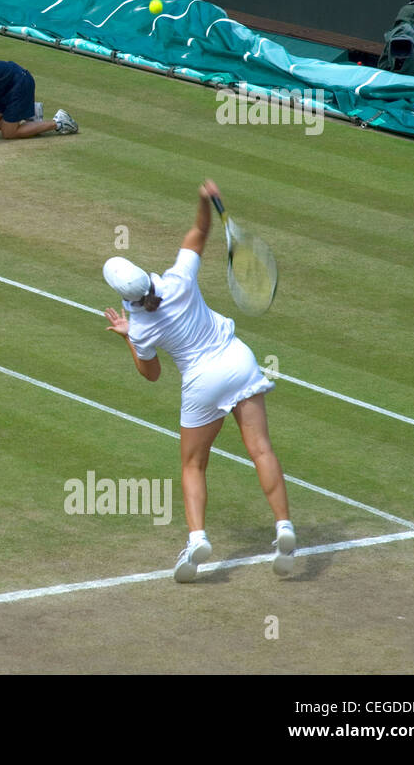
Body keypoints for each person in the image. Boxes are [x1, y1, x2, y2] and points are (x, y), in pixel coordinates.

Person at [102, 180, 295, 584]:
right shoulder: (178, 279)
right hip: (239, 360)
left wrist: (128, 339)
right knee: (260, 449)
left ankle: (196, 540)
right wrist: (204, 200)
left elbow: (151, 375)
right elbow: (198, 233)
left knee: (193, 463)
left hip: (203, 382)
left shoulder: (140, 327)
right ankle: (284, 528)